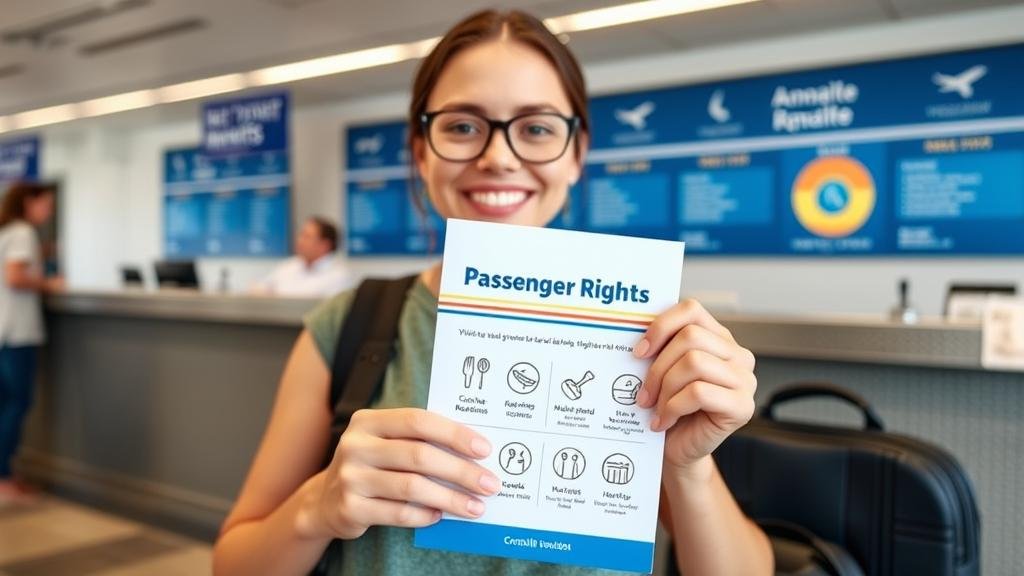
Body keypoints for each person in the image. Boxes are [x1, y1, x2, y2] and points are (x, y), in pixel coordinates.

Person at [215, 10, 771, 576]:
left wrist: (689, 469)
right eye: (461, 126)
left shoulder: (645, 333)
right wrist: (317, 507)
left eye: (536, 128)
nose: (499, 157)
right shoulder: (350, 323)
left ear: (576, 154)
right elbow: (233, 562)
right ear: (421, 151)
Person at [0, 182, 63, 505]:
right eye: (46, 204)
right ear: (29, 201)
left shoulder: (6, 231)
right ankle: (4, 478)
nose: (48, 210)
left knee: (5, 404)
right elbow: (15, 276)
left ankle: (6, 473)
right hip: (17, 333)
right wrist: (48, 282)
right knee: (16, 404)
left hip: (3, 331)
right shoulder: (23, 232)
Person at [249, 216, 350, 298]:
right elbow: (259, 289)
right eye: (301, 235)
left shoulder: (339, 277)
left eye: (307, 236)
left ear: (325, 245)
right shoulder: (289, 266)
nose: (299, 241)